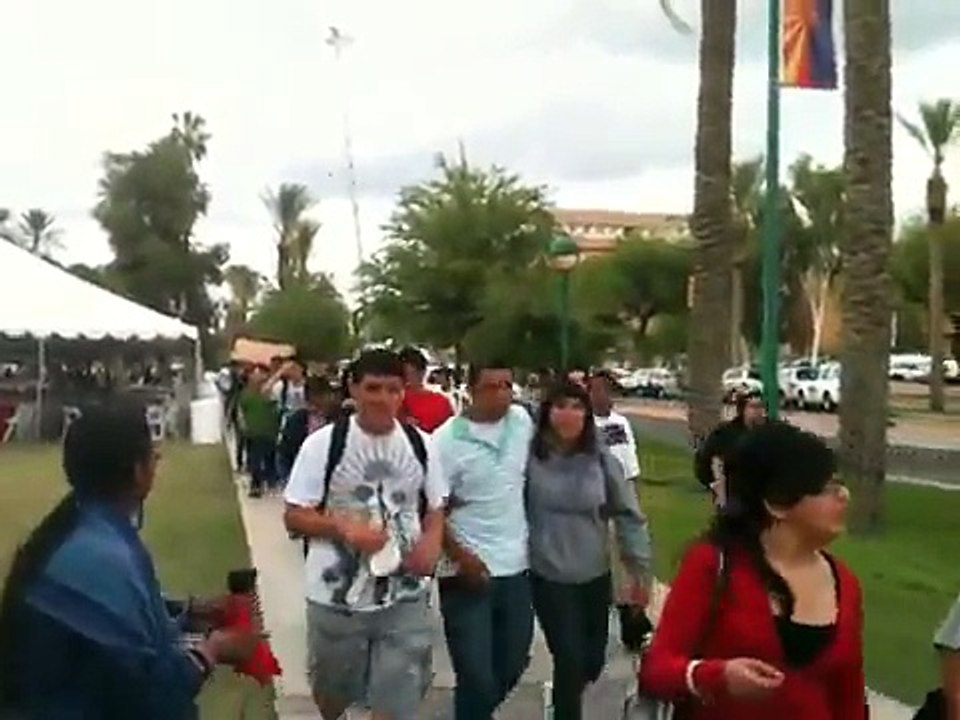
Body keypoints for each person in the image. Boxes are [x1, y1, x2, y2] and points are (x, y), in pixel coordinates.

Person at [0, 400, 260, 719]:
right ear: (138, 471)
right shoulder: (97, 555)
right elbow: (154, 692)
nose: (158, 457)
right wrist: (214, 650)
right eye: (152, 452)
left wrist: (188, 612)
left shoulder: (82, 525)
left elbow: (119, 626)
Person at [639, 421, 866, 720]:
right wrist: (716, 676)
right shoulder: (713, 564)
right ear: (777, 503)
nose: (844, 496)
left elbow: (849, 696)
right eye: (827, 489)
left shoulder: (845, 583)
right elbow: (656, 669)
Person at [283, 348, 448, 720]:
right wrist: (343, 527)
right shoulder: (323, 446)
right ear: (353, 389)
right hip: (336, 600)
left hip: (405, 598)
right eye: (373, 388)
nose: (384, 399)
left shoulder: (422, 444)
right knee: (333, 698)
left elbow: (437, 506)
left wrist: (431, 542)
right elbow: (294, 516)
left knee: (396, 702)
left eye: (393, 389)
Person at [525, 381, 653, 720]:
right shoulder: (529, 458)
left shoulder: (601, 459)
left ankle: (565, 692)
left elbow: (629, 514)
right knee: (569, 657)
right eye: (560, 406)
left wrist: (639, 569)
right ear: (547, 412)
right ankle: (566, 709)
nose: (568, 414)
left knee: (592, 661)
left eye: (576, 406)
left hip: (594, 573)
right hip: (547, 574)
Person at [432, 359, 536, 720]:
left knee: (514, 663)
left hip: (517, 568)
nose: (503, 394)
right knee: (475, 674)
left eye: (508, 385)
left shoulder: (522, 424)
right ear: (471, 390)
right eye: (493, 387)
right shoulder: (446, 440)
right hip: (467, 574)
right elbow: (432, 511)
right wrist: (463, 557)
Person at [694, 389, 766, 506]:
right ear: (743, 409)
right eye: (753, 407)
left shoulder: (768, 432)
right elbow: (712, 459)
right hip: (732, 493)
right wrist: (717, 488)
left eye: (760, 407)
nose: (758, 411)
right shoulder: (726, 433)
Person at [588, 370, 641, 483]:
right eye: (600, 390)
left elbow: (630, 456)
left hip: (622, 485)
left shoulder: (622, 422)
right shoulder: (585, 423)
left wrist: (633, 479)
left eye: (610, 391)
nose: (607, 395)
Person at [238, 365, 280, 498]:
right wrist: (243, 425)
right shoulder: (245, 394)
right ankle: (256, 485)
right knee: (255, 459)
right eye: (255, 374)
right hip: (253, 432)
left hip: (269, 431)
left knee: (269, 458)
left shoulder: (268, 392)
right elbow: (240, 412)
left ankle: (271, 482)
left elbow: (275, 405)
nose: (258, 377)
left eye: (261, 374)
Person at [398, 346, 454, 433]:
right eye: (403, 375)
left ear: (423, 372)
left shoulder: (441, 402)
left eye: (412, 374)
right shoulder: (392, 401)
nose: (407, 380)